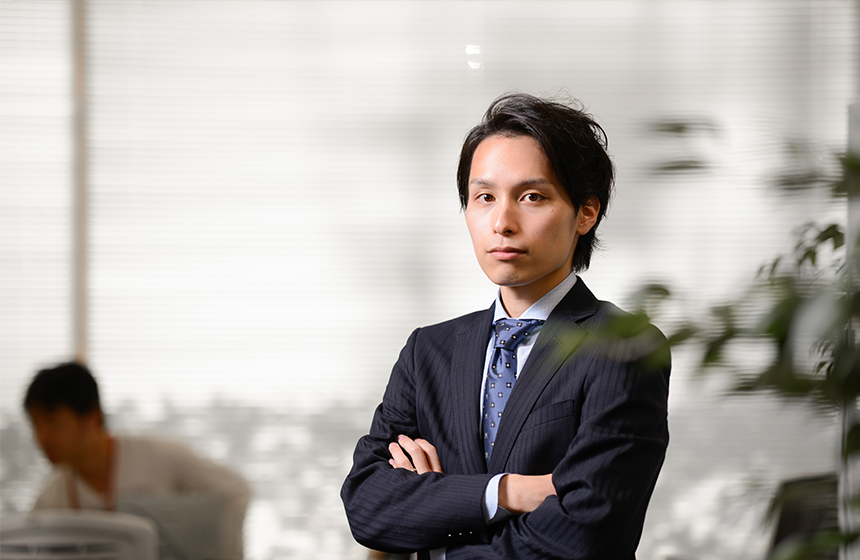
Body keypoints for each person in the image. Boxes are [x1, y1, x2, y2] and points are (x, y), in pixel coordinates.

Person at [341, 93, 671, 560]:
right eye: (485, 197)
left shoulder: (624, 345)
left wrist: (440, 513)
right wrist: (508, 491)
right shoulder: (428, 351)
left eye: (532, 197)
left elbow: (585, 535)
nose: (502, 222)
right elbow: (367, 507)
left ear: (586, 212)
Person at [24, 361, 251, 559]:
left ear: (92, 417)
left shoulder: (160, 456)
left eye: (53, 423)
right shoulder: (49, 502)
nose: (42, 438)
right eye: (35, 425)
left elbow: (236, 490)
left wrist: (225, 554)